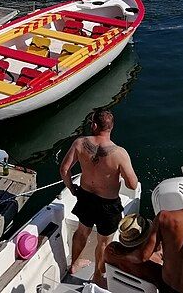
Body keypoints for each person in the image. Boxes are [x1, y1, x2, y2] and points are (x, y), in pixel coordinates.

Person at [59, 109, 139, 287]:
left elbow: (64, 170)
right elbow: (133, 185)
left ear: (94, 125)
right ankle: (97, 276)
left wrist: (72, 189)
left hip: (85, 198)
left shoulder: (80, 143)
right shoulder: (120, 153)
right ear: (111, 128)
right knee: (104, 242)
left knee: (81, 232)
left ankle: (74, 265)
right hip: (108, 205)